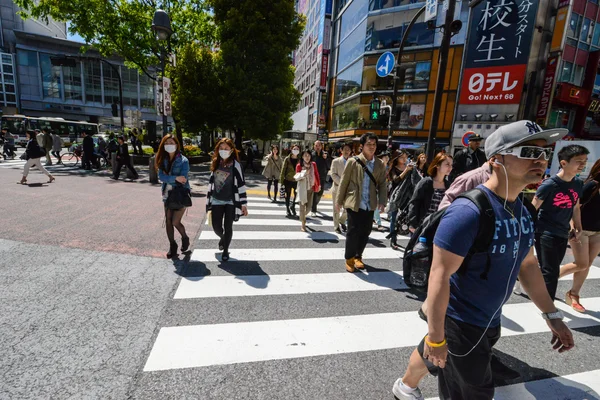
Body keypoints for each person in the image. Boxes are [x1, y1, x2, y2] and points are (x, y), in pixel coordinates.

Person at [392, 120, 574, 400]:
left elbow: (527, 265)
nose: (539, 159)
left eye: (543, 153)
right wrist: (437, 336)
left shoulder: (521, 211)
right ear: (496, 160)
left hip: (490, 317)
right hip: (461, 322)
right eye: (528, 152)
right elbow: (439, 277)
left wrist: (552, 314)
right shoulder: (467, 213)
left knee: (435, 356)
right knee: (474, 391)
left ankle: (405, 386)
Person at [532, 144, 588, 301]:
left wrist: (578, 226)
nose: (583, 165)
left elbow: (575, 206)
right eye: (578, 161)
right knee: (550, 271)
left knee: (552, 270)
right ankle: (547, 305)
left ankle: (529, 281)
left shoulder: (577, 183)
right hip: (545, 232)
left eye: (584, 161)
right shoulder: (549, 184)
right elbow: (533, 208)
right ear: (564, 163)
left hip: (563, 232)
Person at [337, 132, 387, 272]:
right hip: (354, 202)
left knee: (366, 231)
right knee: (353, 231)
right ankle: (349, 258)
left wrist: (382, 201)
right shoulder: (353, 161)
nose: (372, 147)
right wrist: (339, 201)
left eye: (374, 144)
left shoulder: (379, 164)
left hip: (370, 204)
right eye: (368, 144)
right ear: (362, 146)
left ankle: (358, 256)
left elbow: (382, 184)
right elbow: (344, 181)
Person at [559, 158, 600, 312]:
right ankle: (543, 280)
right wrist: (573, 226)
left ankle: (574, 294)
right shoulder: (591, 185)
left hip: (597, 232)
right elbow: (573, 206)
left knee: (586, 264)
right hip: (581, 229)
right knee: (581, 263)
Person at [206, 138, 248, 261]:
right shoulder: (215, 162)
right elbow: (211, 182)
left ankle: (225, 250)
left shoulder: (236, 165)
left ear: (231, 150)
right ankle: (223, 238)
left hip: (231, 200)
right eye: (221, 148)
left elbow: (241, 184)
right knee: (216, 226)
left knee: (228, 226)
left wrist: (243, 203)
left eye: (226, 148)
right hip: (216, 199)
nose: (223, 151)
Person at [156, 134, 191, 258]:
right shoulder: (161, 159)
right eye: (166, 143)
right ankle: (172, 245)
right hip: (167, 194)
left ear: (176, 144)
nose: (169, 145)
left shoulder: (183, 161)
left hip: (180, 194)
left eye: (171, 143)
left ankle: (185, 237)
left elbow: (183, 179)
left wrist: (170, 178)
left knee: (176, 221)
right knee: (168, 221)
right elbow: (161, 176)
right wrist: (174, 178)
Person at [407, 153, 453, 233]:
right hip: (423, 225)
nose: (450, 167)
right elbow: (414, 202)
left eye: (451, 165)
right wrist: (412, 223)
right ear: (438, 165)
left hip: (440, 226)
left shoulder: (448, 185)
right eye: (447, 164)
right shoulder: (426, 182)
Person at [296, 150, 321, 232]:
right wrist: (303, 174)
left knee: (309, 207)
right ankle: (303, 224)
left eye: (308, 155)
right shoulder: (299, 165)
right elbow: (297, 177)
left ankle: (302, 216)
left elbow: (316, 174)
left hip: (311, 188)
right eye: (305, 155)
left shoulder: (313, 164)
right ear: (302, 157)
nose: (307, 157)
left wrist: (319, 184)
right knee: (302, 206)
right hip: (302, 188)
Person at [330, 143, 351, 234]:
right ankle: (336, 226)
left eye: (348, 149)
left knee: (348, 208)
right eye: (345, 149)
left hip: (349, 189)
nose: (346, 151)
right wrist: (342, 183)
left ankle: (342, 220)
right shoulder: (335, 161)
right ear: (341, 150)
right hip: (337, 188)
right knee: (336, 208)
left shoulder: (353, 161)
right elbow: (333, 174)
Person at [280, 144, 301, 217]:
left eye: (297, 149)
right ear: (291, 150)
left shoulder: (300, 159)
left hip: (296, 180)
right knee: (287, 195)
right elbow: (283, 170)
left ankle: (293, 206)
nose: (296, 150)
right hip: (288, 180)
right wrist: (281, 181)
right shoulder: (287, 159)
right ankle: (287, 209)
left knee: (297, 195)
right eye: (294, 149)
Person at [311, 141, 329, 217]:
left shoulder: (325, 154)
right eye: (316, 145)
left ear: (321, 146)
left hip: (322, 177)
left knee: (320, 193)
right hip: (314, 176)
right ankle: (313, 209)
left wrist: (326, 158)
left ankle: (314, 204)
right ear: (314, 146)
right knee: (315, 192)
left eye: (319, 145)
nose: (317, 147)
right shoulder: (312, 155)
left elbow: (329, 165)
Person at [373, 151, 390, 232]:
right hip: (375, 188)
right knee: (376, 206)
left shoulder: (388, 167)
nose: (387, 159)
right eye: (385, 157)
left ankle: (373, 219)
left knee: (377, 206)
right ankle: (379, 223)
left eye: (387, 157)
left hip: (385, 189)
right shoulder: (378, 166)